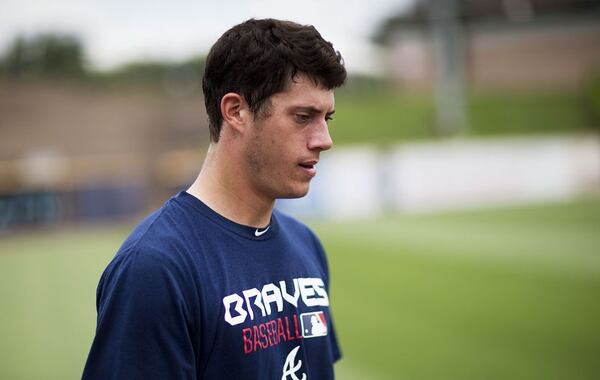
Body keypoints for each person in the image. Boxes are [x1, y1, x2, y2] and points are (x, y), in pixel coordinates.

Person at [82, 18, 346, 380]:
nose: (324, 139)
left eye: (327, 117)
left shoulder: (306, 245)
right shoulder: (154, 268)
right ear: (235, 111)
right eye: (303, 117)